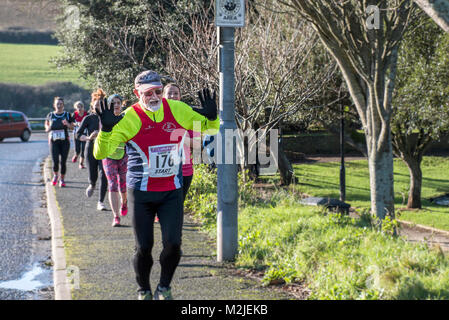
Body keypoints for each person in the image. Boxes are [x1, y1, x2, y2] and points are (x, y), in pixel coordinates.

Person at [94, 70, 219, 300]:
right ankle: (144, 289)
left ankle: (164, 286)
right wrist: (107, 130)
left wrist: (211, 117)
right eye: (148, 93)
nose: (154, 97)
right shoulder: (129, 118)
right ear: (136, 93)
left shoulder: (176, 110)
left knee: (173, 244)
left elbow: (210, 130)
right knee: (144, 247)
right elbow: (101, 152)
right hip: (140, 193)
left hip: (171, 190)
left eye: (158, 92)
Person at [162, 83, 197, 202]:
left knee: (179, 202)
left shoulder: (189, 115)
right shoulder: (155, 116)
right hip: (163, 168)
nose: (172, 96)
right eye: (169, 93)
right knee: (163, 202)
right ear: (163, 96)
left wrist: (183, 139)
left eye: (176, 93)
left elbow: (197, 144)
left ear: (180, 96)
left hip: (185, 168)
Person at [76, 89, 109, 211]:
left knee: (104, 175)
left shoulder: (108, 118)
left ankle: (100, 202)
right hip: (91, 148)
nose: (98, 108)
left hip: (105, 149)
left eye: (100, 106)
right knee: (93, 175)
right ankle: (92, 184)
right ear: (92, 106)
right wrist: (89, 137)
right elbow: (78, 135)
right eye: (96, 106)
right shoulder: (89, 118)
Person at [102, 94, 128, 227]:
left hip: (124, 155)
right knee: (112, 184)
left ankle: (124, 203)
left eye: (118, 102)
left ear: (122, 104)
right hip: (108, 155)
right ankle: (116, 216)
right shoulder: (104, 118)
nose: (116, 105)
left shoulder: (126, 118)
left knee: (123, 186)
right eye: (113, 103)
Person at [45, 97, 75, 187]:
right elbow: (46, 126)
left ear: (63, 105)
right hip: (54, 141)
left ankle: (62, 179)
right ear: (54, 105)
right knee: (55, 161)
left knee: (63, 162)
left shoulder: (67, 115)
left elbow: (72, 127)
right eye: (57, 104)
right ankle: (55, 176)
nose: (59, 105)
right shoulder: (50, 115)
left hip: (64, 141)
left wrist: (67, 124)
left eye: (61, 104)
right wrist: (48, 128)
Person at [72, 101, 88, 169]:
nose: (79, 108)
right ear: (76, 108)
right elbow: (71, 123)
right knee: (77, 149)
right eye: (78, 107)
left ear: (83, 107)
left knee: (84, 149)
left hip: (84, 133)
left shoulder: (86, 114)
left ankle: (81, 164)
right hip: (76, 134)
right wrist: (76, 124)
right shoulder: (74, 114)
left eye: (80, 107)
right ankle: (76, 154)